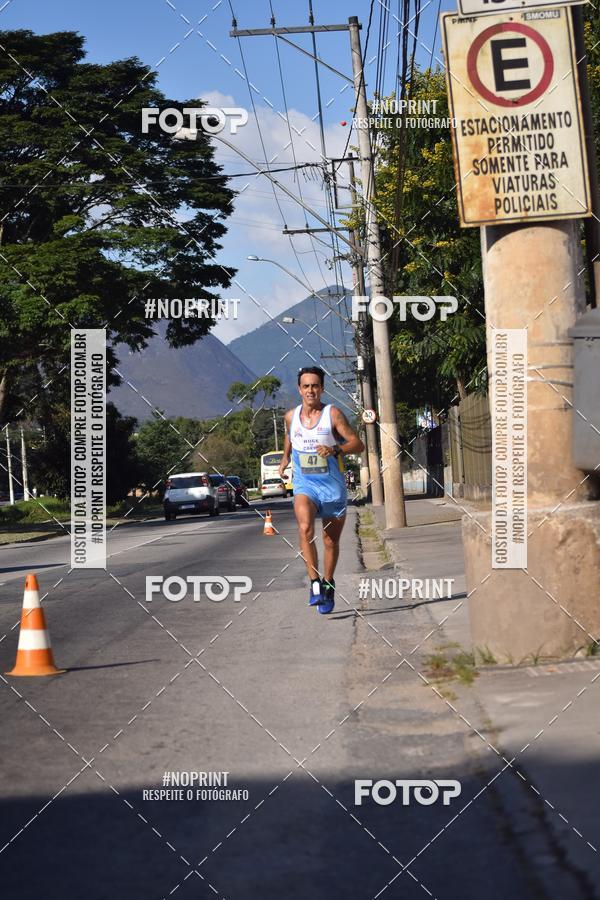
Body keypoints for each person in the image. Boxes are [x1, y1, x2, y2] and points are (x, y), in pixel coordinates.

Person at [278, 366, 365, 614]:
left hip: (331, 486)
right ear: (299, 389)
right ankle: (314, 583)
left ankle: (328, 582)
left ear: (322, 388)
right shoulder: (290, 416)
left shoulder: (332, 414)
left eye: (315, 386)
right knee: (305, 528)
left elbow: (357, 444)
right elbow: (290, 436)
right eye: (306, 386)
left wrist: (335, 449)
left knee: (329, 540)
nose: (310, 391)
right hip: (305, 484)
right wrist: (285, 458)